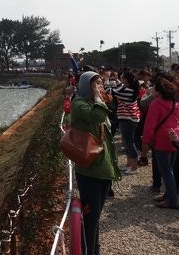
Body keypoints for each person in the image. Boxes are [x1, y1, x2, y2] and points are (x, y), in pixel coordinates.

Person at [70, 71, 120, 254]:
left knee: (96, 217)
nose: (100, 86)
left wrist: (103, 99)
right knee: (91, 218)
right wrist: (100, 99)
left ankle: (94, 250)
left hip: (104, 168)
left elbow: (109, 121)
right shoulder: (79, 104)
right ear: (85, 86)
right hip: (89, 169)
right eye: (96, 84)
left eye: (101, 83)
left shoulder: (96, 104)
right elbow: (96, 117)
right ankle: (88, 251)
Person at [141, 72, 179, 209]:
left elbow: (149, 126)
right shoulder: (175, 103)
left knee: (165, 171)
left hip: (161, 139)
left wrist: (145, 143)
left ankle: (172, 200)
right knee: (169, 168)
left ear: (158, 90)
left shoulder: (156, 104)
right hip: (174, 137)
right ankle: (168, 195)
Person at [109, 69, 141, 174]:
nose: (120, 79)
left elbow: (112, 92)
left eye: (122, 77)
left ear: (126, 80)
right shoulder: (129, 88)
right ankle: (129, 164)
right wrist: (116, 80)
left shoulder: (129, 91)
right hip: (128, 118)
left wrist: (105, 80)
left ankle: (134, 167)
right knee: (127, 141)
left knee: (129, 142)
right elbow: (120, 88)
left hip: (128, 119)